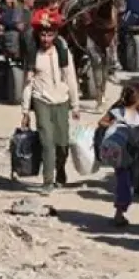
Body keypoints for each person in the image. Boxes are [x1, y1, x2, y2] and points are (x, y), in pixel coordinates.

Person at [21, 10, 81, 192]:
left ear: (55, 35)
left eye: (49, 35)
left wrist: (75, 104)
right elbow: (27, 85)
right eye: (43, 35)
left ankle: (60, 170)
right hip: (42, 101)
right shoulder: (33, 55)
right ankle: (48, 181)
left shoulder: (63, 52)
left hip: (61, 101)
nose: (45, 39)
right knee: (47, 141)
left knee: (62, 143)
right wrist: (25, 111)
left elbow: (71, 78)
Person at [98, 82, 139, 226]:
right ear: (136, 98)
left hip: (133, 154)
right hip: (120, 153)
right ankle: (119, 214)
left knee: (132, 182)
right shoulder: (118, 112)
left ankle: (122, 209)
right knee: (123, 182)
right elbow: (101, 122)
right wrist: (116, 125)